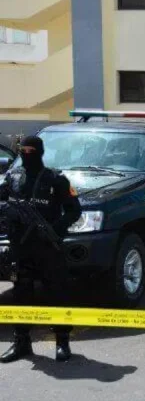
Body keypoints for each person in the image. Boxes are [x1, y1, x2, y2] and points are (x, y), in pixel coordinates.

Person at [0, 136, 82, 363]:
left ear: (40, 152)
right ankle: (21, 342)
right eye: (23, 150)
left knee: (57, 293)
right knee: (21, 294)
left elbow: (74, 210)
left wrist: (57, 229)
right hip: (21, 247)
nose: (27, 154)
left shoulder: (56, 179)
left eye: (31, 151)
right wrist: (8, 210)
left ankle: (62, 341)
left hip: (48, 247)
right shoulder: (13, 177)